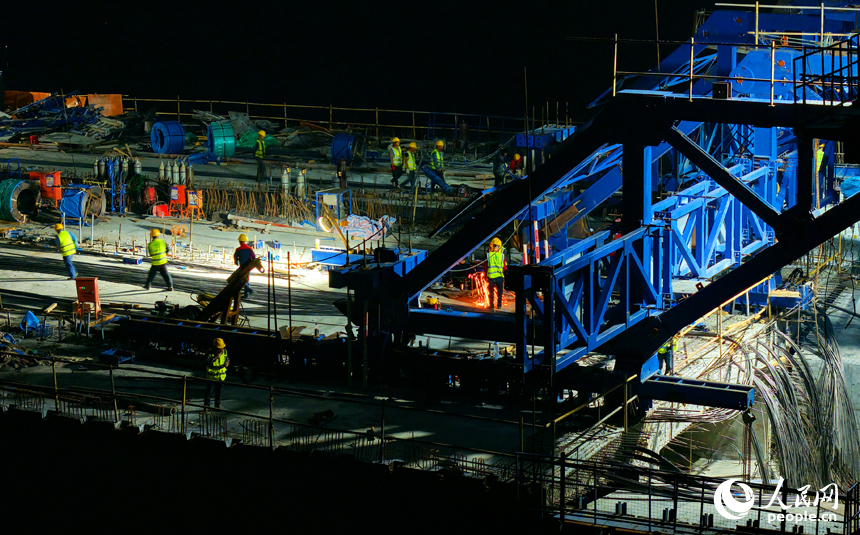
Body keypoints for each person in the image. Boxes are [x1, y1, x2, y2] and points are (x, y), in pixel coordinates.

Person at [234, 233, 264, 298]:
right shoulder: (249, 248)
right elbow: (253, 257)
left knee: (240, 278)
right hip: (248, 266)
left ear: (239, 241)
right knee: (246, 277)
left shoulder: (238, 249)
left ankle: (247, 290)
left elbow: (235, 257)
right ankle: (246, 293)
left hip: (242, 266)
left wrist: (236, 261)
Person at [204, 338, 229, 409]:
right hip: (211, 377)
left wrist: (227, 363)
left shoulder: (224, 351)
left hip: (221, 377)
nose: (220, 350)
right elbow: (207, 362)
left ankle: (217, 407)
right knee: (209, 393)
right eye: (219, 349)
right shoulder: (209, 353)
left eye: (221, 348)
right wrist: (215, 358)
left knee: (219, 393)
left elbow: (227, 359)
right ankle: (206, 407)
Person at [487, 237, 507, 310]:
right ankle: (499, 305)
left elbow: (486, 266)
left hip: (491, 277)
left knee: (491, 292)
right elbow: (504, 267)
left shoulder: (489, 255)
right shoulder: (501, 256)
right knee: (500, 292)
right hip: (499, 276)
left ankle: (491, 306)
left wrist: (486, 275)